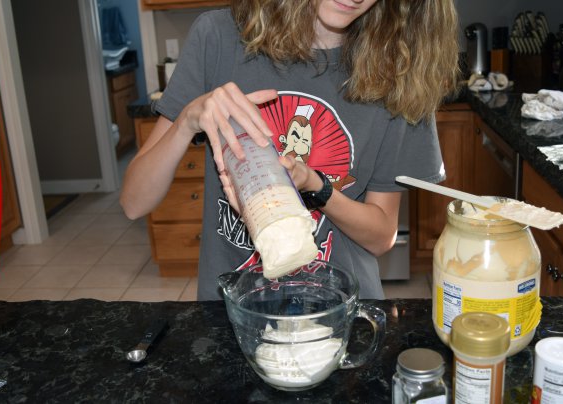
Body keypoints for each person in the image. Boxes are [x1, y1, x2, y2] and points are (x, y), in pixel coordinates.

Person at [120, 0, 460, 300]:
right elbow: (134, 202)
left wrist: (316, 186)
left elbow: (381, 236)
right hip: (234, 314)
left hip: (340, 312)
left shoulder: (399, 69)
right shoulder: (219, 36)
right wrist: (187, 120)